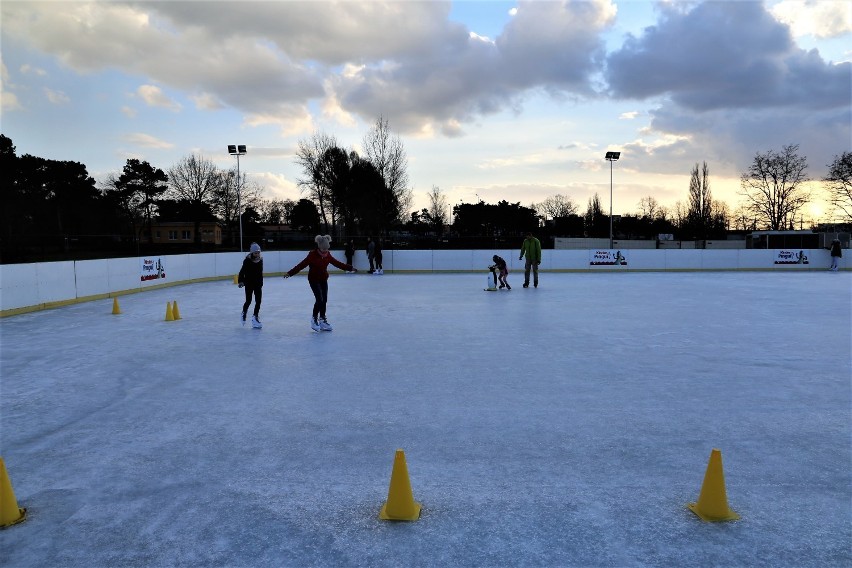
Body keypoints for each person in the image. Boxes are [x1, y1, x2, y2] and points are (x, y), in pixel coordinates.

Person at [284, 235, 355, 331]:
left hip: (323, 279)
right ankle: (314, 319)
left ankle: (322, 319)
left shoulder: (328, 255)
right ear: (319, 247)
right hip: (313, 279)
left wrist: (350, 268)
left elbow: (338, 264)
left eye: (327, 248)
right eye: (323, 249)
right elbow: (301, 265)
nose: (325, 251)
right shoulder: (312, 255)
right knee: (319, 299)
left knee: (324, 299)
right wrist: (290, 273)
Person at [238, 242, 264, 328]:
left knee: (258, 301)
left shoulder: (260, 260)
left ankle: (255, 317)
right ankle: (244, 313)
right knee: (248, 301)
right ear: (252, 252)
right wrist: (241, 281)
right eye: (255, 252)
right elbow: (242, 271)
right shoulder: (247, 261)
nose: (257, 254)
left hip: (257, 284)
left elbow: (260, 273)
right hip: (249, 283)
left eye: (258, 252)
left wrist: (261, 283)